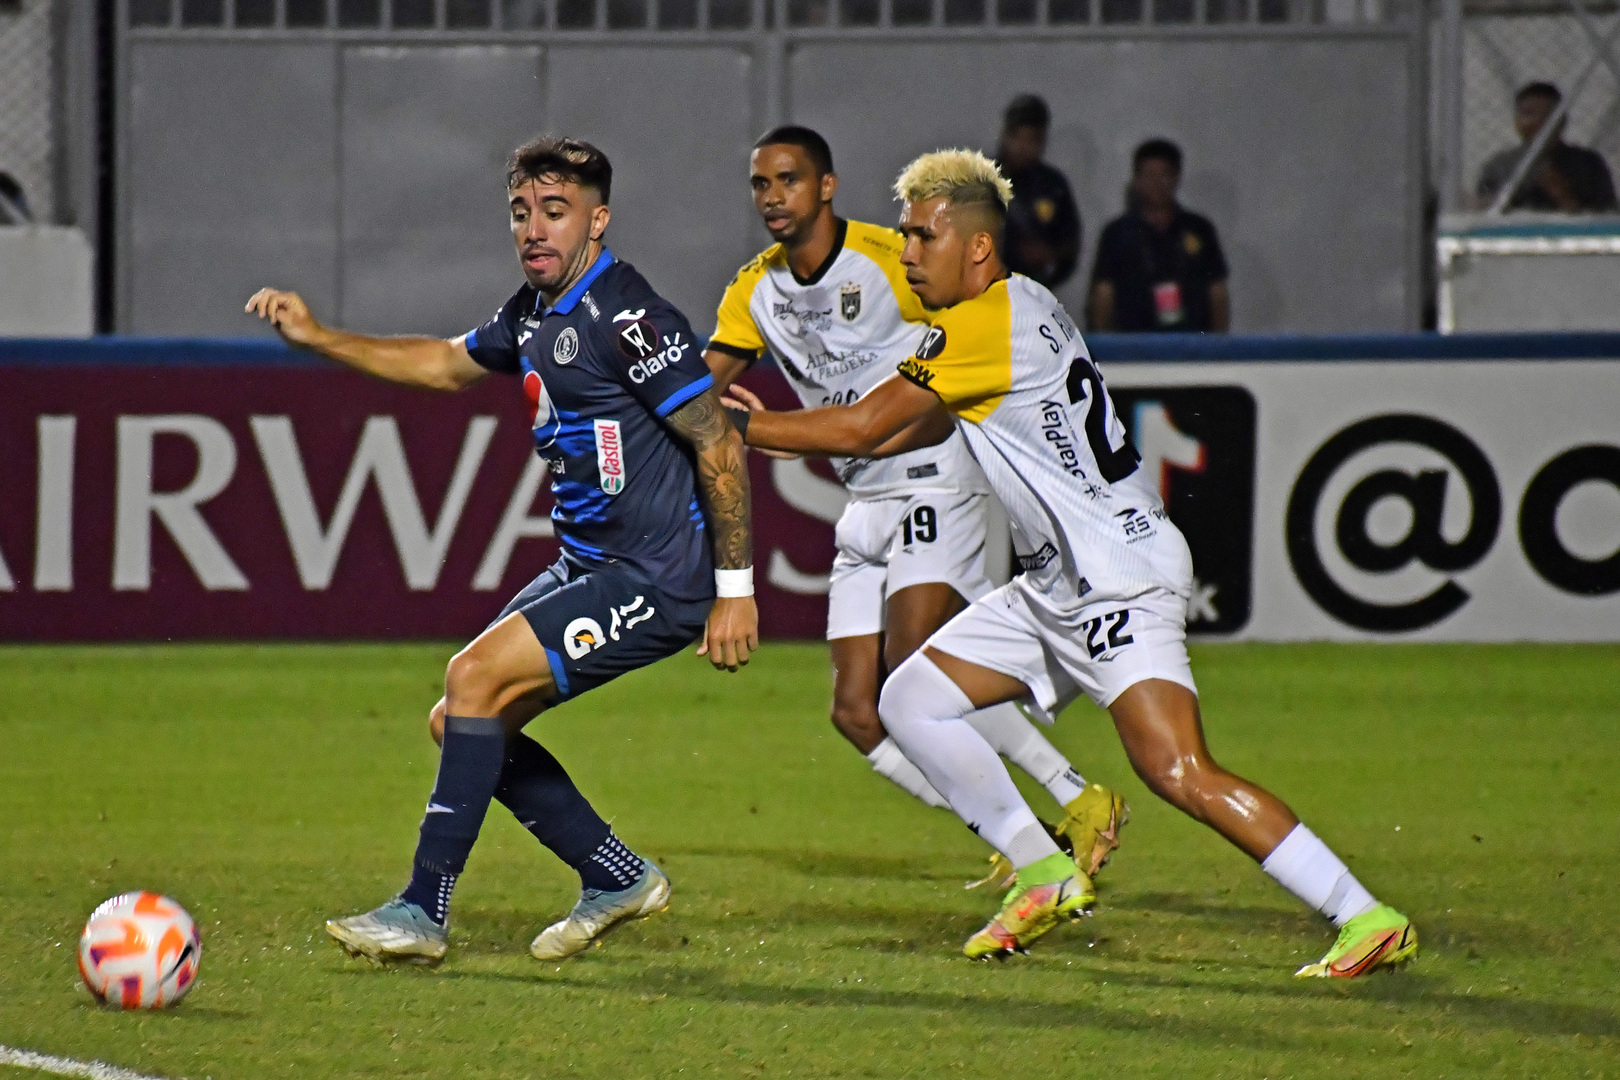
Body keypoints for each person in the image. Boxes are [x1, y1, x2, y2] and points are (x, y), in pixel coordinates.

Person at [725, 148, 1416, 976]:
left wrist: (740, 429)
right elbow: (923, 423)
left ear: (975, 247)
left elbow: (861, 428)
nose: (905, 254)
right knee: (909, 697)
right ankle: (1045, 872)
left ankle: (1364, 914)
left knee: (1178, 770)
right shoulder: (1023, 303)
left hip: (1117, 573)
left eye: (920, 237)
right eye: (904, 237)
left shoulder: (980, 326)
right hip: (1058, 583)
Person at [244, 136, 758, 966]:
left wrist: (735, 590)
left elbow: (719, 443)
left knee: (473, 680)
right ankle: (616, 876)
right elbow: (447, 365)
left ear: (598, 220)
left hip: (655, 578)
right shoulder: (532, 313)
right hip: (590, 565)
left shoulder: (629, 319)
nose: (533, 230)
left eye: (554, 212)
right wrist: (319, 337)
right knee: (462, 719)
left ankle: (421, 911)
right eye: (522, 212)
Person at [705, 125, 1127, 891]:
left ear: (826, 187)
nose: (773, 197)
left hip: (936, 473)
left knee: (913, 665)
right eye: (761, 184)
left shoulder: (894, 257)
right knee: (858, 713)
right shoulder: (755, 289)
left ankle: (1074, 801)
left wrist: (845, 430)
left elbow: (962, 358)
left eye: (789, 180)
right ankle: (1023, 836)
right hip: (863, 491)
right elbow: (699, 392)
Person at [1088, 139, 1229, 333]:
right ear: (1136, 180)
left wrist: (1218, 348)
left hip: (1193, 344)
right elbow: (1104, 292)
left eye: (1164, 175)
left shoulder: (1199, 229)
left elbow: (1217, 291)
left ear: (1177, 177)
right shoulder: (1118, 233)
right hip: (1133, 346)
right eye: (1149, 175)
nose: (1157, 183)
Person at [1476, 82, 1618, 212]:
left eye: (1547, 115)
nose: (1537, 122)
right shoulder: (1500, 167)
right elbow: (1483, 212)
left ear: (1562, 121)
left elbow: (1607, 215)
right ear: (1516, 121)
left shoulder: (1588, 164)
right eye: (1527, 114)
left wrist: (1562, 196)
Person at [994, 95, 1081, 290]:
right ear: (1005, 135)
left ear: (1042, 142)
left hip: (1032, 292)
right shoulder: (981, 180)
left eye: (1031, 140)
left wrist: (1049, 254)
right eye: (1017, 137)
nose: (1022, 147)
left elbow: (1070, 244)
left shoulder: (1052, 185)